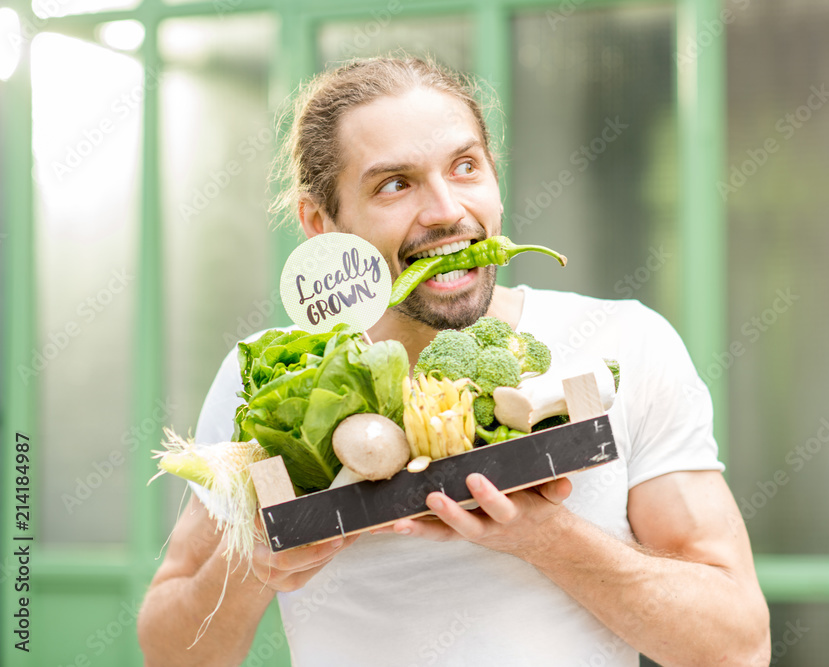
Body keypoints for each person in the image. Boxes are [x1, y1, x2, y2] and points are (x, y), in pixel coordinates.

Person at [137, 57, 770, 666]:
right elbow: (170, 654)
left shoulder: (624, 341)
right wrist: (251, 562)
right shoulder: (276, 378)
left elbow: (737, 648)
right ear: (321, 224)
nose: (446, 211)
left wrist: (546, 537)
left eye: (465, 167)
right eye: (395, 184)